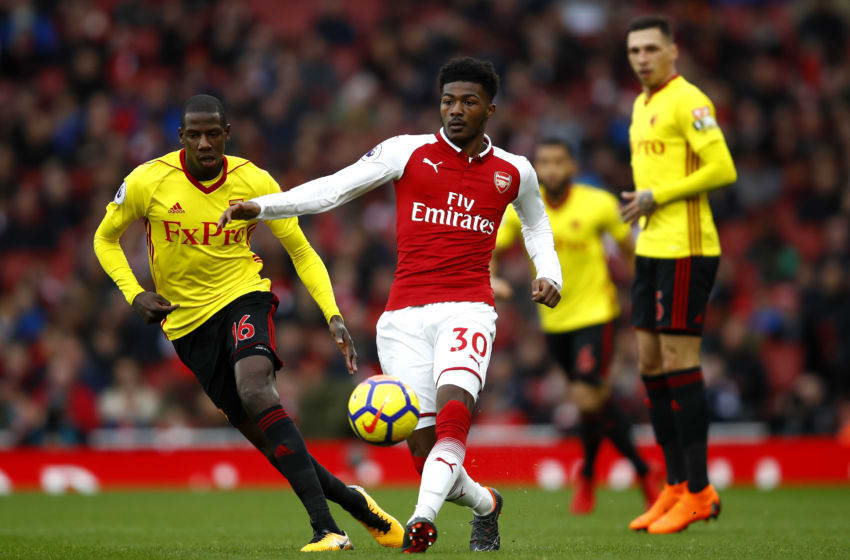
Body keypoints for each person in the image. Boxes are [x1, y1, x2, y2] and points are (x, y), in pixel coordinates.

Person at [220, 58, 562, 553]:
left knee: (453, 414)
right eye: (448, 101)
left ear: (490, 107)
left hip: (468, 308)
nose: (456, 110)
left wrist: (548, 271)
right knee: (425, 457)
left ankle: (421, 520)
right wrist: (265, 206)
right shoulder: (407, 152)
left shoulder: (515, 171)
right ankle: (487, 505)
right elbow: (335, 189)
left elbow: (537, 226)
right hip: (402, 319)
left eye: (468, 101)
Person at [93, 94, 404, 552]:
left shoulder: (253, 180)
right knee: (268, 439)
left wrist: (332, 313)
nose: (204, 143)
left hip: (244, 296)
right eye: (194, 134)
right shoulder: (148, 181)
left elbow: (300, 249)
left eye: (212, 133)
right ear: (180, 138)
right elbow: (105, 239)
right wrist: (134, 292)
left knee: (258, 389)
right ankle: (355, 504)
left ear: (227, 135)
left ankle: (327, 529)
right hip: (186, 327)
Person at [492, 138, 660, 514]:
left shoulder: (597, 204)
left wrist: (643, 294)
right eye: (544, 162)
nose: (551, 169)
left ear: (571, 167)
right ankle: (643, 468)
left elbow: (630, 249)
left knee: (585, 398)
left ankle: (586, 475)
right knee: (594, 401)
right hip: (554, 321)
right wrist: (493, 279)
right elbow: (491, 251)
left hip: (597, 313)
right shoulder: (521, 208)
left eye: (558, 161)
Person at [620, 16, 737, 534]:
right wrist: (645, 212)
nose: (641, 58)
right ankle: (672, 485)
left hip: (688, 249)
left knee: (678, 361)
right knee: (648, 362)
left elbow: (723, 169)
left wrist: (656, 198)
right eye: (634, 51)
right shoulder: (641, 104)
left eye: (650, 49)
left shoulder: (690, 101)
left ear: (673, 52)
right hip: (651, 248)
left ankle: (699, 488)